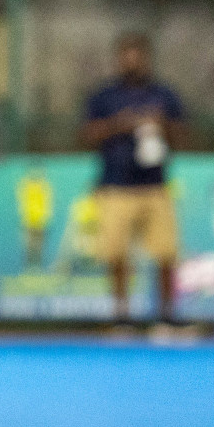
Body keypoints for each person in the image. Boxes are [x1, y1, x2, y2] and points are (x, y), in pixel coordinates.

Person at [80, 31, 186, 326]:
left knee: (166, 252)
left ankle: (166, 314)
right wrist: (120, 124)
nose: (132, 62)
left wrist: (160, 123)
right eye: (127, 56)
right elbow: (87, 135)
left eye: (138, 56)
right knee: (116, 253)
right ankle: (120, 313)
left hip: (154, 184)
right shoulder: (105, 97)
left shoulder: (163, 95)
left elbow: (184, 135)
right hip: (116, 184)